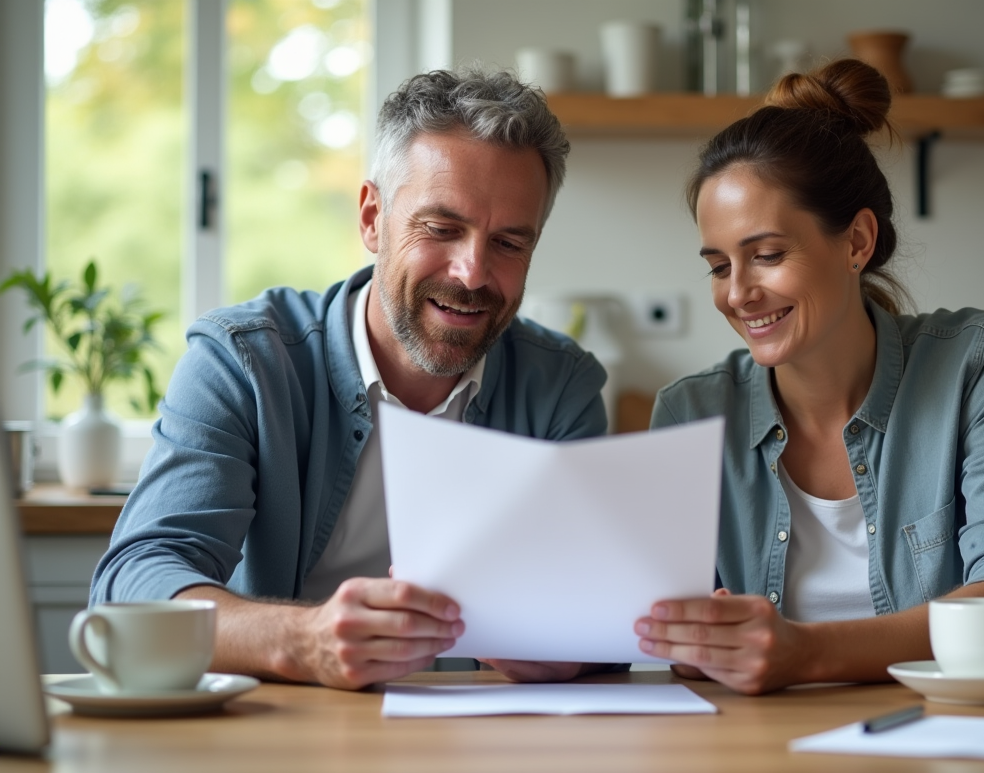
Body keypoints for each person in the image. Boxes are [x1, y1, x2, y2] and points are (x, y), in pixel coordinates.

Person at [91, 68, 611, 689]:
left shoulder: (560, 387)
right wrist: (303, 641)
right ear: (372, 218)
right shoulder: (243, 361)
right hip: (271, 738)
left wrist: (572, 646)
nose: (472, 273)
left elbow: (601, 611)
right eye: (441, 229)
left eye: (508, 242)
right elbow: (132, 586)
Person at [634, 59, 984, 695]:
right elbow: (672, 630)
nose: (738, 294)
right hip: (752, 751)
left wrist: (804, 653)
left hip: (943, 732)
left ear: (857, 242)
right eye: (718, 266)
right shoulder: (690, 413)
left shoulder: (979, 362)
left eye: (767, 255)